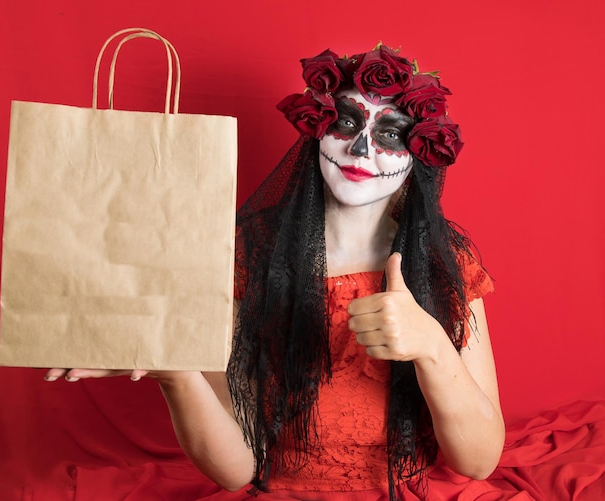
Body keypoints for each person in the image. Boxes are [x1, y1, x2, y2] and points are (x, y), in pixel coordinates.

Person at [46, 43, 505, 500]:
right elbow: (238, 470)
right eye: (346, 122)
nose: (360, 148)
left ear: (418, 151)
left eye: (389, 134)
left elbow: (479, 461)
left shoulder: (447, 261)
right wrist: (175, 371)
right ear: (316, 129)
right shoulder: (249, 254)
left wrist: (431, 347)